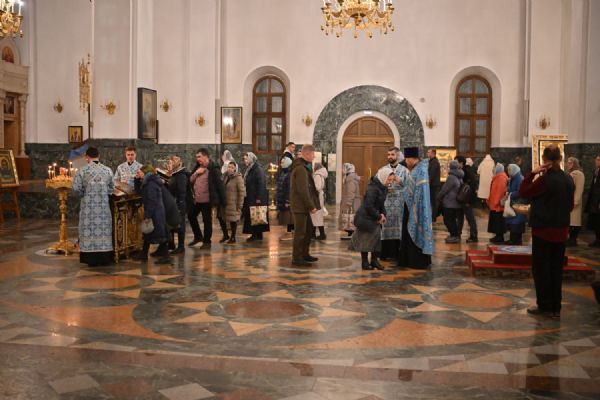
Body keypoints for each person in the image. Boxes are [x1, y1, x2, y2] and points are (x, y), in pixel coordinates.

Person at [519, 145, 575, 318]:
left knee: (542, 269)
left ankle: (544, 306)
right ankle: (556, 307)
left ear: (544, 159)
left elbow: (523, 191)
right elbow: (570, 206)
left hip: (544, 230)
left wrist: (532, 173)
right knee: (556, 270)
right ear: (560, 158)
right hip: (561, 230)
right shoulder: (568, 179)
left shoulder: (545, 180)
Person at [72, 147, 114, 267]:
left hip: (88, 210)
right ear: (98, 156)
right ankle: (104, 258)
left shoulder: (82, 171)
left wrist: (84, 194)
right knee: (103, 231)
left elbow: (76, 188)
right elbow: (111, 188)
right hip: (103, 209)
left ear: (87, 157)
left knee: (88, 231)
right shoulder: (108, 170)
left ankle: (90, 259)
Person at [396, 147, 434, 269]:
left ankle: (416, 261)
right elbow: (411, 186)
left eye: (407, 159)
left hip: (416, 208)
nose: (406, 162)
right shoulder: (418, 169)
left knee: (413, 231)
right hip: (412, 206)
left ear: (412, 159)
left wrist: (403, 189)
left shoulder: (420, 170)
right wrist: (401, 183)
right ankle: (409, 260)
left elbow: (417, 191)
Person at [351, 167, 394, 271]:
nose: (390, 182)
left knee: (376, 239)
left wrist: (383, 214)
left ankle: (374, 261)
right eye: (389, 180)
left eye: (392, 180)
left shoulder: (383, 187)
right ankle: (365, 262)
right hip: (365, 218)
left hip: (374, 216)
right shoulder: (372, 188)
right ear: (383, 177)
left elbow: (381, 204)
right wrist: (379, 216)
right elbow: (368, 205)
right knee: (365, 241)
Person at [188, 148, 226, 249]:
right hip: (197, 200)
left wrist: (223, 202)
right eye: (196, 157)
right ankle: (198, 237)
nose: (197, 159)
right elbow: (190, 180)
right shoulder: (197, 167)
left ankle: (207, 242)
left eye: (199, 157)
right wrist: (197, 173)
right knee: (191, 215)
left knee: (207, 221)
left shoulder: (214, 169)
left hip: (207, 201)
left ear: (206, 156)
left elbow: (220, 185)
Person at [133, 165, 171, 264]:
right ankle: (144, 254)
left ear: (146, 172)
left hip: (156, 213)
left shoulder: (151, 184)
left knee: (159, 235)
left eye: (140, 172)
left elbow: (151, 201)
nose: (138, 173)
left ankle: (166, 257)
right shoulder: (148, 182)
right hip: (155, 211)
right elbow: (140, 193)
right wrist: (136, 180)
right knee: (147, 233)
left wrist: (148, 216)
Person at [289, 144, 320, 266]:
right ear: (307, 154)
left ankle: (304, 254)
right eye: (313, 154)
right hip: (300, 206)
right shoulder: (301, 169)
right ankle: (297, 257)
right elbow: (303, 190)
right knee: (300, 233)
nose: (313, 156)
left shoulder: (303, 167)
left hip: (303, 206)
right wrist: (311, 206)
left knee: (308, 230)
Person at [380, 147, 409, 261]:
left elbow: (409, 186)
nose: (390, 157)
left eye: (392, 154)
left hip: (399, 205)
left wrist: (400, 181)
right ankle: (385, 254)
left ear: (397, 156)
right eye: (388, 154)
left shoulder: (404, 170)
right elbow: (378, 183)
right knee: (385, 226)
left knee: (399, 228)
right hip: (386, 203)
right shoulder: (383, 169)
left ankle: (397, 254)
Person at [242, 152, 270, 241]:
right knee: (254, 215)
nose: (245, 160)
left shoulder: (258, 169)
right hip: (251, 196)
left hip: (256, 197)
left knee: (256, 215)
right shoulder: (251, 168)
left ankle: (256, 235)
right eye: (244, 159)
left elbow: (261, 184)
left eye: (246, 158)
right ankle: (256, 234)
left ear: (251, 158)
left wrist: (259, 198)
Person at [166, 156, 189, 255]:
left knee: (180, 225)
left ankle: (181, 246)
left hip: (179, 204)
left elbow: (182, 192)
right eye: (170, 162)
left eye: (172, 162)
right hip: (172, 203)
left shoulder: (181, 175)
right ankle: (171, 244)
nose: (170, 164)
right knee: (171, 224)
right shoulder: (174, 174)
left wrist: (180, 207)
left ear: (178, 163)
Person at [218, 161, 246, 244]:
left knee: (233, 220)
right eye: (229, 167)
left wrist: (240, 205)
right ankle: (225, 235)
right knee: (221, 217)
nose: (230, 169)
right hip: (224, 202)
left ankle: (233, 237)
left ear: (235, 169)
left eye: (232, 167)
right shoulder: (224, 176)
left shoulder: (238, 178)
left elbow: (242, 192)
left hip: (233, 203)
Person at [437, 160, 464, 243]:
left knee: (448, 220)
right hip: (456, 203)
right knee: (452, 220)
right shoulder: (459, 176)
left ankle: (455, 236)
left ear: (451, 167)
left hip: (450, 203)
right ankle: (454, 235)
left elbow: (444, 189)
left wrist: (438, 197)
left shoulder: (452, 177)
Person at [455, 156, 478, 243]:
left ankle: (474, 236)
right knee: (460, 217)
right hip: (463, 199)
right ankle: (458, 234)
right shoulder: (465, 170)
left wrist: (469, 201)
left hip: (466, 199)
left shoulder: (466, 171)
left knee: (470, 218)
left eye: (456, 162)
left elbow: (471, 187)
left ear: (461, 163)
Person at [504, 164, 527, 245]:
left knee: (517, 222)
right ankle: (513, 239)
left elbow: (520, 192)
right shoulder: (513, 178)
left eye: (510, 170)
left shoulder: (520, 178)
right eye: (508, 170)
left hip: (519, 204)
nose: (508, 172)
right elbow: (510, 188)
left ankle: (516, 240)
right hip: (514, 203)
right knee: (513, 222)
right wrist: (508, 191)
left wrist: (510, 194)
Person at [487, 163, 508, 244]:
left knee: (498, 221)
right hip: (494, 203)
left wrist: (496, 201)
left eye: (494, 167)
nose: (493, 169)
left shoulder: (501, 178)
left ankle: (499, 237)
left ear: (498, 168)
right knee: (495, 221)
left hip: (497, 204)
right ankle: (497, 235)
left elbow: (500, 191)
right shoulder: (497, 177)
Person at [339, 163, 361, 239]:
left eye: (344, 168)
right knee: (350, 218)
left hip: (352, 203)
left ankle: (352, 233)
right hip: (352, 201)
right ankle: (350, 233)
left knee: (350, 218)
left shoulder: (350, 179)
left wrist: (348, 202)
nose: (342, 170)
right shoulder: (349, 177)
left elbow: (351, 192)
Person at [566, 157, 585, 247]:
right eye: (568, 163)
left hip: (574, 201)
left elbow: (579, 188)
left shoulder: (579, 174)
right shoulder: (571, 173)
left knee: (574, 221)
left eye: (570, 163)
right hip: (569, 201)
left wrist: (576, 201)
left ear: (575, 164)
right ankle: (571, 238)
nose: (568, 164)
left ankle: (573, 239)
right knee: (570, 221)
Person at [277, 156, 294, 240]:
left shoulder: (289, 174)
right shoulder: (283, 172)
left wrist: (288, 200)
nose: (281, 164)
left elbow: (289, 188)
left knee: (289, 217)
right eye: (281, 162)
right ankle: (289, 232)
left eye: (283, 162)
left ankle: (290, 233)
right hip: (282, 198)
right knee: (286, 217)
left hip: (287, 199)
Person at [311, 163, 329, 240]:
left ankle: (321, 234)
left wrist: (310, 187)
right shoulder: (320, 175)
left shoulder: (317, 175)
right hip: (318, 197)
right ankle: (314, 234)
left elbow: (317, 187)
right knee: (316, 216)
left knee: (316, 216)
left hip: (316, 197)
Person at [585, 155, 600, 247]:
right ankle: (597, 239)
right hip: (594, 200)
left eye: (599, 160)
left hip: (598, 201)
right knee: (595, 221)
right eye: (597, 159)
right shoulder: (596, 171)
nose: (597, 161)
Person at [427, 149, 441, 221]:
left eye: (428, 152)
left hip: (434, 186)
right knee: (432, 202)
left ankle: (433, 218)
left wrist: (427, 184)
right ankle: (432, 217)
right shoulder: (431, 161)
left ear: (433, 153)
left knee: (434, 202)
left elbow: (431, 175)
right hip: (432, 185)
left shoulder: (434, 162)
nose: (427, 153)